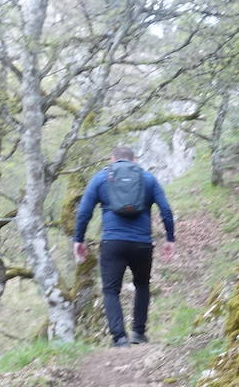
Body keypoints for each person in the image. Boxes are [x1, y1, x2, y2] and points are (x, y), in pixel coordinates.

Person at [74, 146, 176, 346]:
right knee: (142, 285)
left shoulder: (101, 178)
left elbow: (84, 211)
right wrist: (170, 238)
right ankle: (138, 333)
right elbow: (166, 210)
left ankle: (120, 337)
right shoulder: (148, 179)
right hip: (142, 244)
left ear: (112, 160)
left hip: (113, 242)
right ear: (134, 160)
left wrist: (79, 239)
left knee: (111, 290)